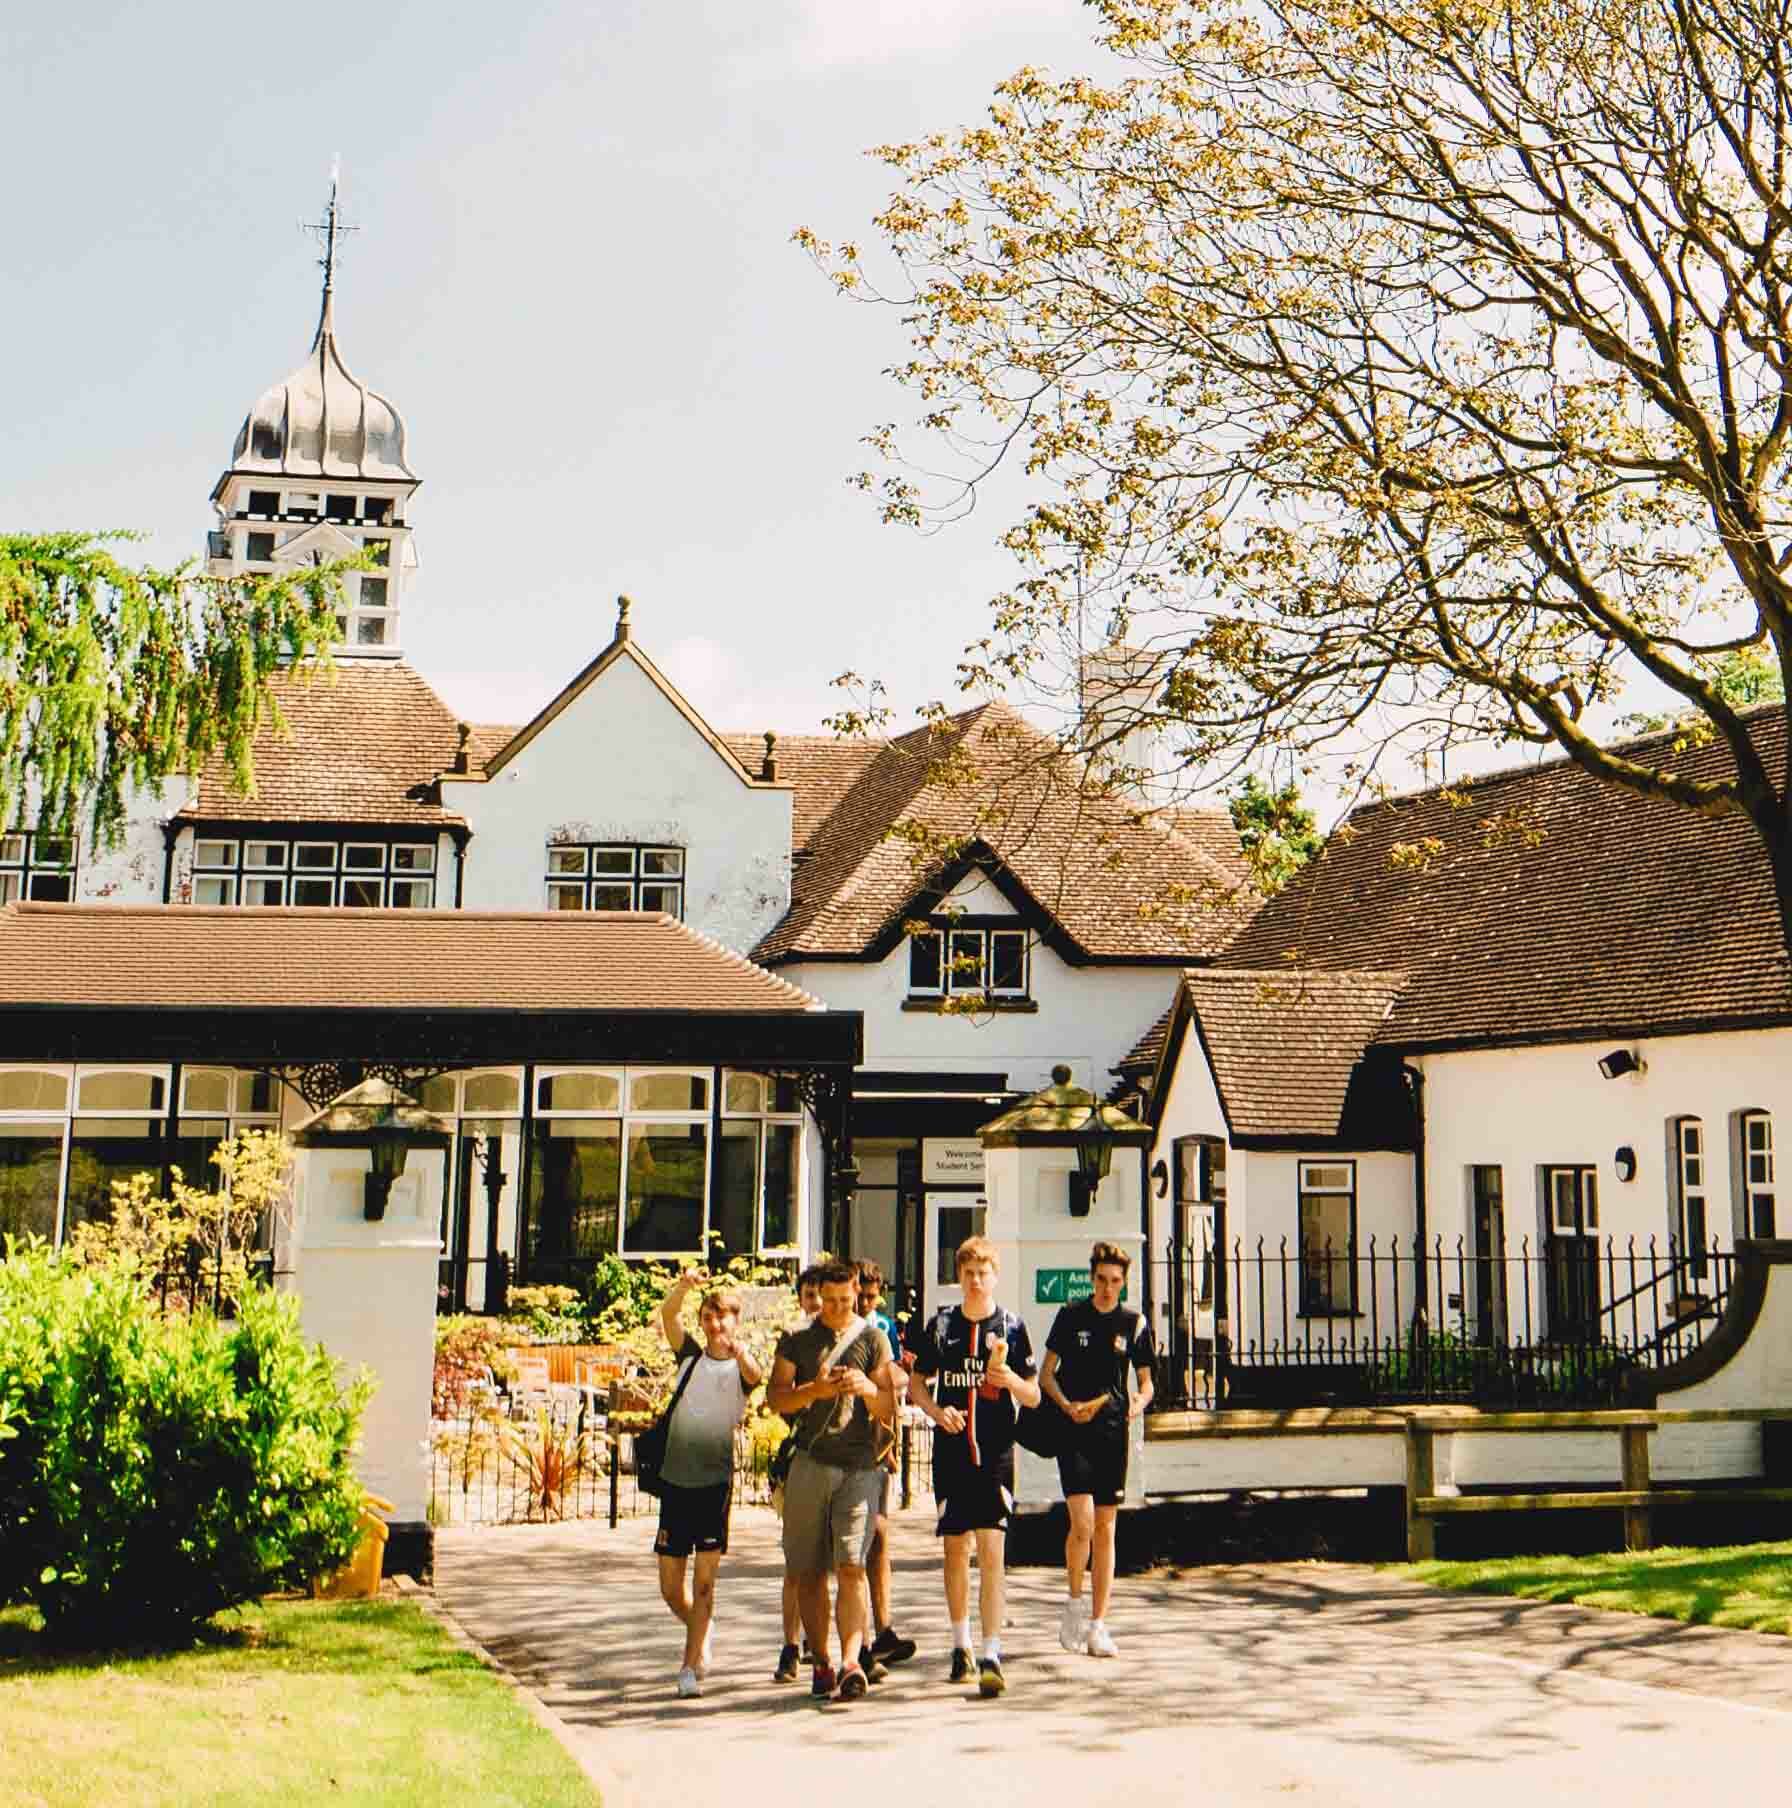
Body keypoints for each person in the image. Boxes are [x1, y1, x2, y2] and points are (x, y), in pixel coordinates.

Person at [907, 1235, 1040, 1699]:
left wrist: (1010, 1382)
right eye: (969, 1274)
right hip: (951, 1454)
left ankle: (992, 1652)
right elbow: (916, 1384)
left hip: (996, 1453)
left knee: (993, 1554)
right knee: (954, 1550)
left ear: (995, 1277)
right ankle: (960, 1643)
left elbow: (1035, 1393)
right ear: (959, 1277)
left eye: (983, 1273)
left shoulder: (1012, 1327)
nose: (976, 1281)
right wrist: (936, 1412)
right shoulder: (941, 1325)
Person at [766, 1259, 899, 1703]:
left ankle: (850, 1661)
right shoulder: (798, 1338)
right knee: (808, 1570)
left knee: (851, 1566)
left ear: (858, 1291)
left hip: (860, 1467)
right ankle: (820, 1660)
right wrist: (814, 1391)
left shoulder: (872, 1339)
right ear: (817, 1296)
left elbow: (889, 1409)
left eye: (848, 1300)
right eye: (832, 1301)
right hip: (810, 1463)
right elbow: (776, 1400)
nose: (841, 1308)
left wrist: (866, 1388)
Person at [1039, 1242, 1156, 1659]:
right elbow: (1046, 1374)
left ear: (1124, 1283)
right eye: (1102, 1280)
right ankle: (1073, 1603)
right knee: (1083, 1524)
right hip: (1074, 1429)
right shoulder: (1071, 1316)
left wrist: (1138, 1405)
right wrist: (1065, 1404)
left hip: (1111, 1430)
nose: (1108, 1289)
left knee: (1107, 1528)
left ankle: (1099, 1624)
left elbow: (1146, 1383)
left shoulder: (1133, 1322)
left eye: (1116, 1282)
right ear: (1092, 1279)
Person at [654, 1270, 763, 1698]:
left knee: (704, 1583)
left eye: (725, 1319)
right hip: (676, 1482)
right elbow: (668, 1316)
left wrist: (739, 1352)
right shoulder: (689, 1358)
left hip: (713, 1485)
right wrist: (683, 1288)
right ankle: (703, 1628)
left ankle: (688, 1665)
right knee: (669, 1586)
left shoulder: (740, 1367)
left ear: (736, 1322)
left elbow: (756, 1375)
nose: (717, 1327)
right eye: (710, 1319)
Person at [856, 1259, 917, 1671]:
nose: (864, 1303)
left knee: (879, 1537)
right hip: (847, 1447)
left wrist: (892, 1440)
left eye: (871, 1297)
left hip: (877, 1445)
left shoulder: (884, 1327)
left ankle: (883, 1627)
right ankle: (854, 1636)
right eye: (861, 1296)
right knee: (859, 1539)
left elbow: (891, 1386)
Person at [774, 1264, 827, 1682]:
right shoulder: (794, 1341)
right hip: (799, 1455)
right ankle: (790, 1645)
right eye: (809, 1295)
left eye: (821, 1295)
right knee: (797, 1560)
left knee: (835, 1560)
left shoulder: (848, 1338)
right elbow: (779, 1398)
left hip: (840, 1459)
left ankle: (819, 1641)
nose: (816, 1304)